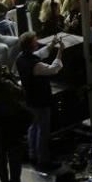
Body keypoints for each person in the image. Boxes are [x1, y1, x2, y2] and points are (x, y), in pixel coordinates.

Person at [15, 31, 63, 171]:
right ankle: (44, 160)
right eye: (35, 41)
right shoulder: (35, 65)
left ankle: (33, 154)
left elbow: (40, 53)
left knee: (33, 127)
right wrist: (60, 51)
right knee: (43, 131)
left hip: (29, 98)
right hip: (40, 100)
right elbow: (54, 69)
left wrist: (52, 44)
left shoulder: (20, 58)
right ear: (31, 45)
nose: (37, 42)